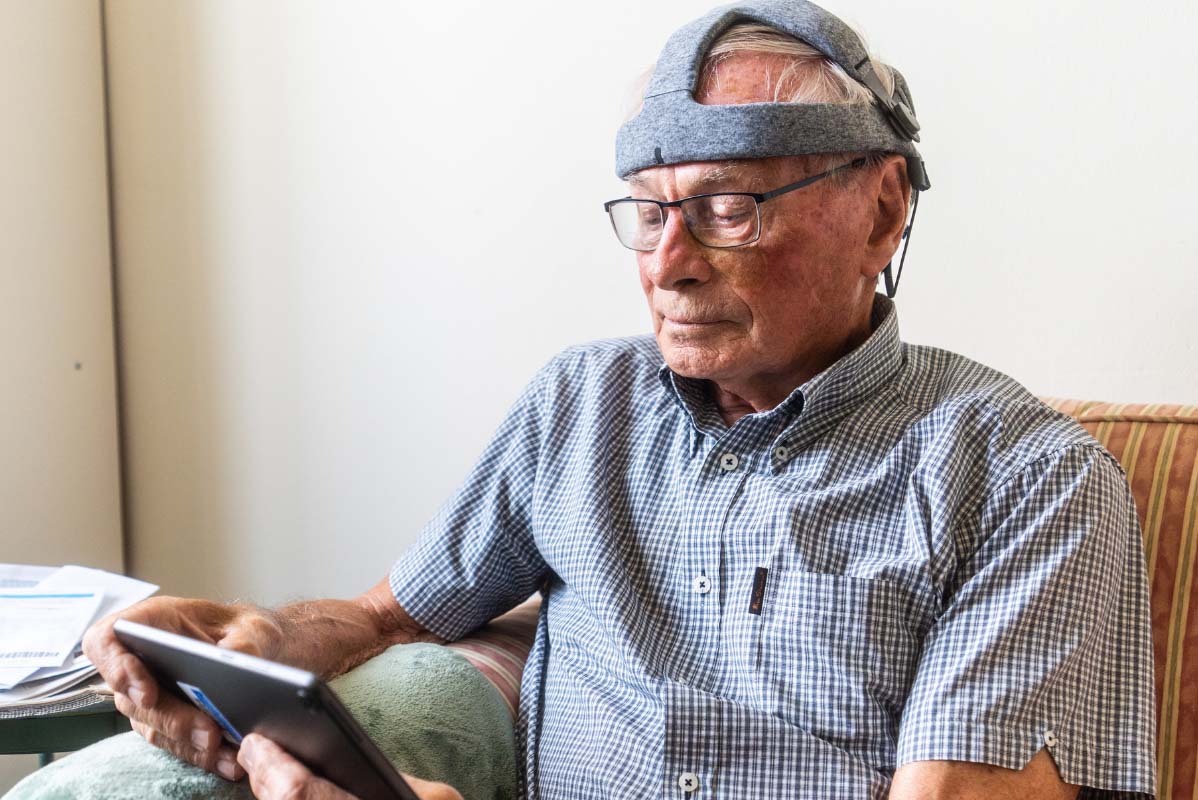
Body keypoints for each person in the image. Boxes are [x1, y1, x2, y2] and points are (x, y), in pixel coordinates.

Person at [83, 2, 1157, 799]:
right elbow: (388, 614)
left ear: (881, 213)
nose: (668, 264)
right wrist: (257, 639)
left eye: (729, 209)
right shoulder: (580, 405)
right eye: (647, 213)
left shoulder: (1030, 479)